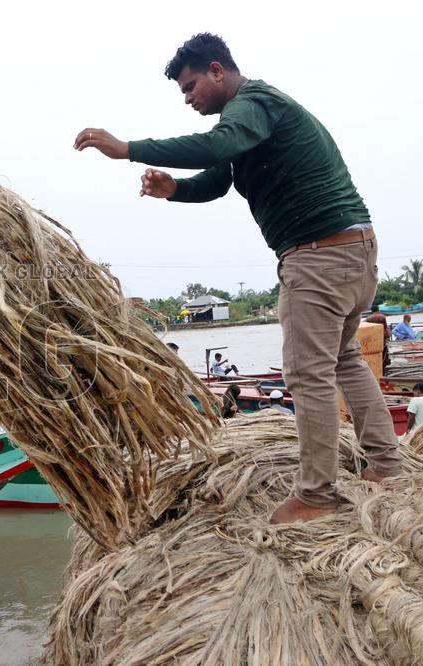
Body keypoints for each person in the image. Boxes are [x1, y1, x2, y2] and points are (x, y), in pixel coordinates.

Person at [74, 33, 402, 524]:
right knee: (344, 360)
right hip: (352, 252)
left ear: (217, 70)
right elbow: (219, 176)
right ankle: (387, 465)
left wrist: (128, 149)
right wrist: (175, 189)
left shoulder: (252, 104)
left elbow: (218, 144)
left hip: (319, 256)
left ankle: (316, 494)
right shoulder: (252, 120)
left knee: (307, 373)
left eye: (190, 87)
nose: (187, 99)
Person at [364, 304, 391, 371]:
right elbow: (385, 328)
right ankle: (383, 368)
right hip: (382, 338)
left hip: (373, 339)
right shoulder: (382, 317)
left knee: (374, 354)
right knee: (384, 353)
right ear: (378, 309)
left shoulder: (368, 319)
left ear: (371, 310)